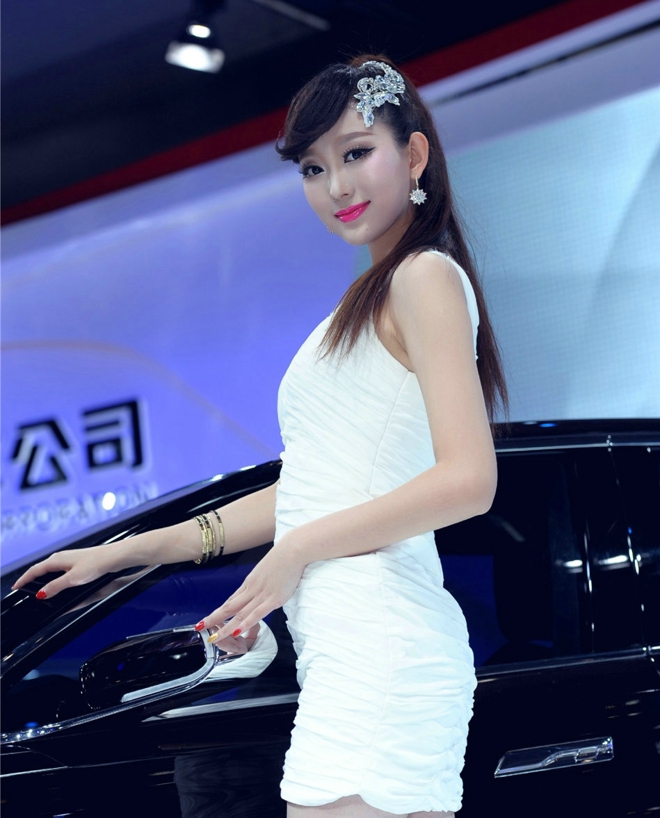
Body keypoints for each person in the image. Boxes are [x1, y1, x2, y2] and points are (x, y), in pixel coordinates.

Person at [13, 56, 508, 818]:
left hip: (381, 648)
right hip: (353, 653)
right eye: (313, 167)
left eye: (355, 153)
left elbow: (470, 480)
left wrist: (297, 550)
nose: (336, 186)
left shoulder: (424, 278)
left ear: (414, 156)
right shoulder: (373, 296)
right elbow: (303, 491)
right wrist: (126, 552)